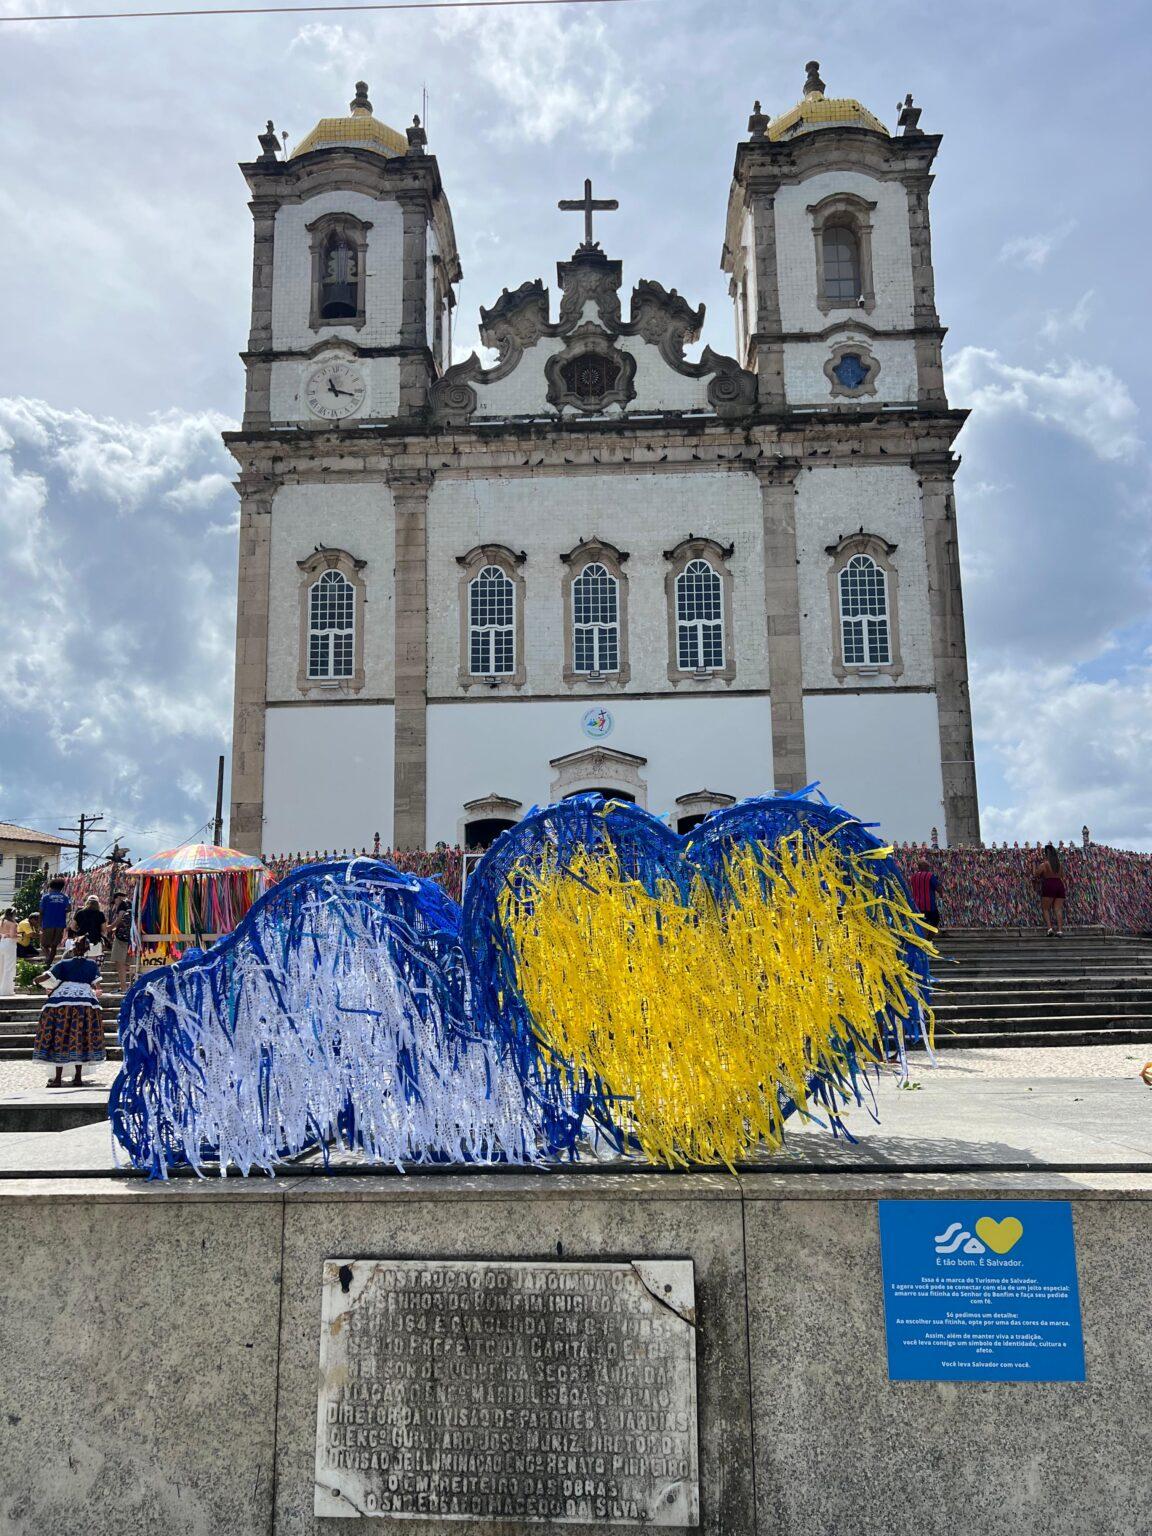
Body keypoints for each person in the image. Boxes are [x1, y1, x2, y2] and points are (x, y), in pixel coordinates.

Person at [34, 935, 105, 1086]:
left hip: (60, 1002)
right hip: (85, 1003)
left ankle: (58, 1078)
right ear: (87, 949)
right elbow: (96, 986)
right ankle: (78, 1077)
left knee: (60, 1035)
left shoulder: (64, 963)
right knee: (81, 1036)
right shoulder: (92, 965)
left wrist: (34, 980)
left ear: (72, 948)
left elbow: (46, 976)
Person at [1033, 843, 1067, 936]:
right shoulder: (1060, 864)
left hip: (1049, 885)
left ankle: (1050, 929)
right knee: (1058, 909)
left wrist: (1033, 866)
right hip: (1059, 885)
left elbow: (1036, 875)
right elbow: (1062, 875)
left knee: (1045, 909)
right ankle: (1060, 931)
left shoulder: (1044, 865)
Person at [39, 877, 71, 967]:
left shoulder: (46, 897)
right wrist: (61, 911)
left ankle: (48, 961)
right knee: (54, 946)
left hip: (48, 923)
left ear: (51, 887)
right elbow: (69, 908)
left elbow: (41, 911)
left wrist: (40, 925)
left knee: (44, 945)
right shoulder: (65, 897)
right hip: (60, 924)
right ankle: (49, 962)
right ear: (61, 887)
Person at [108, 898, 132, 991]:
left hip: (121, 939)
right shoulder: (133, 907)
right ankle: (130, 986)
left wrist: (110, 927)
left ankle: (123, 988)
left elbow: (120, 918)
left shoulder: (122, 906)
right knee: (129, 964)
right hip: (131, 939)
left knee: (120, 963)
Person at [908, 859, 940, 931]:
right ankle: (928, 939)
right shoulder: (930, 876)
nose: (928, 867)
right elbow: (938, 887)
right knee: (935, 921)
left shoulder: (913, 877)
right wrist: (941, 894)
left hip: (916, 905)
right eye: (927, 866)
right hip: (929, 905)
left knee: (920, 923)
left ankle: (922, 939)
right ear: (924, 867)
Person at [72, 894, 107, 958]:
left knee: (80, 959)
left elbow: (72, 927)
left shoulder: (80, 913)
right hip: (95, 940)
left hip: (81, 940)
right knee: (92, 960)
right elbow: (104, 930)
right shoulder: (100, 914)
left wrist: (79, 931)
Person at [0, 909, 18, 996]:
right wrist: (20, 935)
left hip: (1, 943)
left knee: (1, 967)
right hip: (9, 944)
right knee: (9, 967)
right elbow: (12, 935)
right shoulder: (13, 923)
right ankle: (6, 991)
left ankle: (1, 989)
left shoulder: (1, 921)